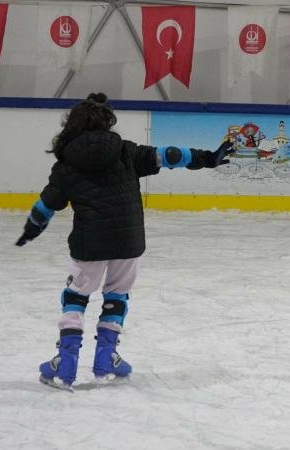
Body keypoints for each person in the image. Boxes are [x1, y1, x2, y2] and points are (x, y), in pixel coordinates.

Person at [15, 93, 233, 390]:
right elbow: (169, 155)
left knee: (76, 297)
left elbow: (46, 205)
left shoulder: (66, 165)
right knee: (117, 296)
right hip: (128, 239)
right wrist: (208, 158)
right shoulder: (126, 151)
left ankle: (65, 362)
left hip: (89, 243)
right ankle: (106, 357)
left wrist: (31, 230)